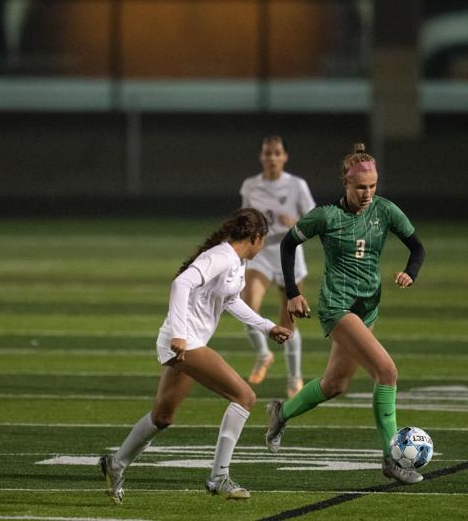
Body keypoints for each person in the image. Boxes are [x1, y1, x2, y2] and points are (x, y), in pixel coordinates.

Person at [99, 208, 292, 504]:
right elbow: (181, 284)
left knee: (163, 417)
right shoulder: (222, 256)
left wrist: (267, 327)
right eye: (263, 241)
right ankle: (218, 477)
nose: (263, 247)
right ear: (255, 237)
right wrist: (178, 332)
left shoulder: (236, 262)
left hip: (186, 342)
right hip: (184, 342)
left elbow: (231, 301)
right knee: (245, 397)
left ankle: (116, 464)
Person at [263, 143, 427, 484]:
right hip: (337, 307)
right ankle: (392, 460)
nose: (367, 193)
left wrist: (411, 272)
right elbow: (288, 243)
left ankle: (281, 412)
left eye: (372, 186)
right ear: (346, 184)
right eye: (360, 187)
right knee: (387, 372)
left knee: (334, 384)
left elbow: (417, 247)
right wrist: (292, 293)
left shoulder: (385, 211)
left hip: (367, 309)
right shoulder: (327, 216)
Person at [238, 135, 316, 398]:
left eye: (276, 153)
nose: (271, 157)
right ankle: (263, 354)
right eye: (267, 153)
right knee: (247, 308)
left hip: (290, 255)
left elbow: (315, 219)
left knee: (289, 321)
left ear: (285, 157)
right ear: (261, 157)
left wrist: (296, 220)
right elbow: (244, 218)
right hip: (261, 253)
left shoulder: (297, 185)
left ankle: (294, 378)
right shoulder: (250, 185)